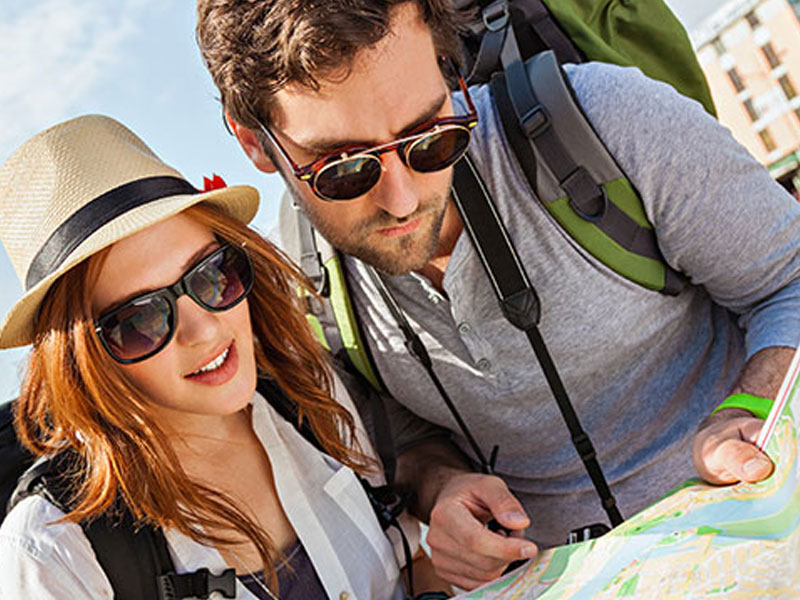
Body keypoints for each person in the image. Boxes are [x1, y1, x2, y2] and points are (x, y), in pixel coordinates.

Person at [196, 0, 800, 589]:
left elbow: (789, 280)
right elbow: (406, 437)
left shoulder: (610, 121)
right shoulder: (305, 282)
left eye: (430, 135)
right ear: (254, 142)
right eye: (344, 169)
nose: (403, 199)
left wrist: (748, 409)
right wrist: (440, 490)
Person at [0, 114, 448, 599]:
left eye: (212, 275)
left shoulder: (311, 395)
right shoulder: (53, 553)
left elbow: (408, 562)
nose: (205, 328)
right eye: (139, 320)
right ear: (82, 360)